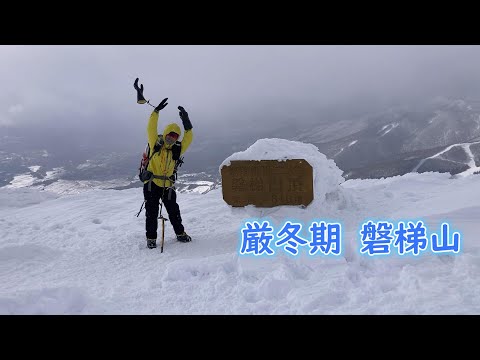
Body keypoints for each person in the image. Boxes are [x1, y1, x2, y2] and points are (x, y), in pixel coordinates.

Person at [135, 82, 194, 249]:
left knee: (174, 211)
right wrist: (156, 112)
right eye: (170, 135)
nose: (172, 138)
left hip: (168, 185)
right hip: (152, 183)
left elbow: (189, 137)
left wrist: (186, 121)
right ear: (166, 133)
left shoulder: (177, 149)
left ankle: (180, 234)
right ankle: (151, 238)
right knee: (151, 213)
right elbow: (151, 127)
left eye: (175, 136)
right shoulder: (156, 143)